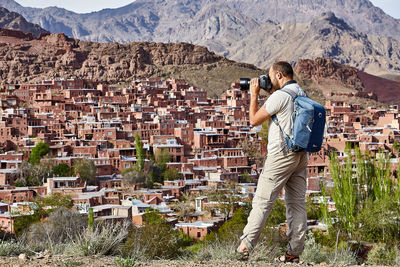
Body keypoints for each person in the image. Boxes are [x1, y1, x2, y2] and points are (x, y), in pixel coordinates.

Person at [236, 61, 308, 263]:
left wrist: (254, 95)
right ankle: (294, 253)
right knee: (296, 204)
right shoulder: (301, 93)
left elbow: (254, 120)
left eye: (269, 77)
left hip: (280, 156)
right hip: (301, 156)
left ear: (279, 75)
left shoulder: (279, 97)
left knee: (263, 201)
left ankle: (245, 247)